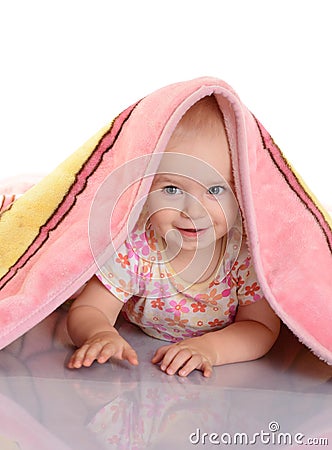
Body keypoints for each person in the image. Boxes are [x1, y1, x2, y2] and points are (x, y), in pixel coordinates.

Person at [66, 95, 280, 377]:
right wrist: (99, 333)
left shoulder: (244, 256)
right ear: (144, 192)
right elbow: (91, 307)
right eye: (171, 189)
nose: (193, 210)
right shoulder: (136, 247)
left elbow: (261, 327)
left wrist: (210, 349)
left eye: (215, 190)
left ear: (241, 193)